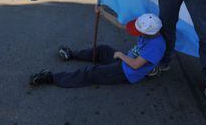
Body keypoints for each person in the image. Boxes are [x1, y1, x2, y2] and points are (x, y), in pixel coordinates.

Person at [29, 13, 166, 88]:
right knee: (103, 49)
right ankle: (71, 54)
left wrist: (121, 55)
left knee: (91, 72)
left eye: (139, 31)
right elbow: (123, 25)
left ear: (148, 32)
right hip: (124, 62)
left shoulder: (156, 46)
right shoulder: (150, 32)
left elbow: (136, 64)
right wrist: (103, 13)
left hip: (127, 72)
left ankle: (51, 78)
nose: (137, 33)